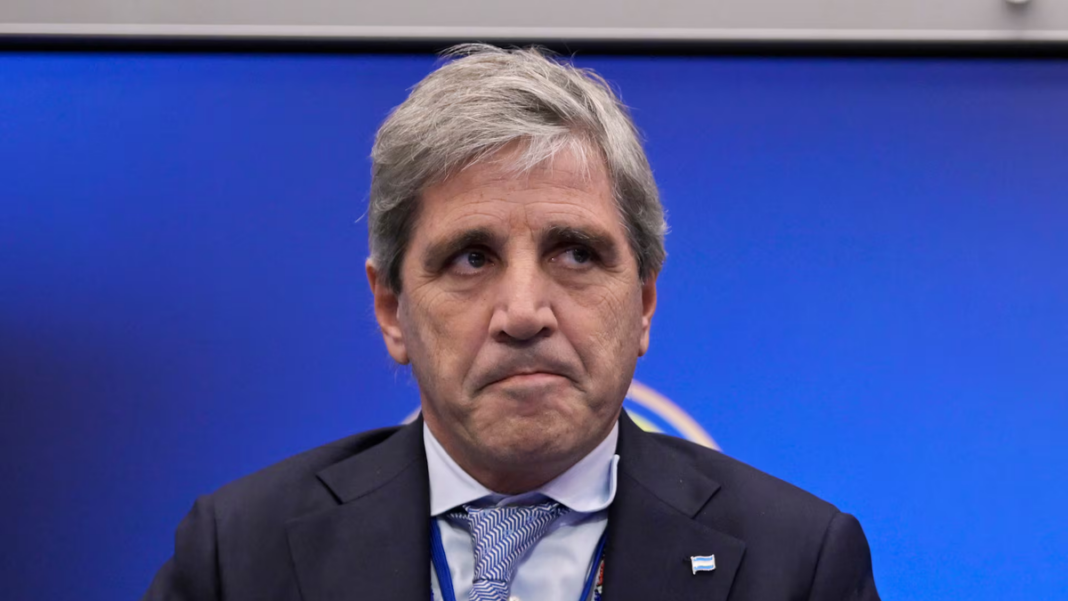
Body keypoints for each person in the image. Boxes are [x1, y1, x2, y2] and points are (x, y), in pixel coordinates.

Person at [143, 44, 880, 601]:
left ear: (645, 302)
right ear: (391, 309)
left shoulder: (799, 563)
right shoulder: (238, 555)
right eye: (471, 258)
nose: (524, 313)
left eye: (576, 253)